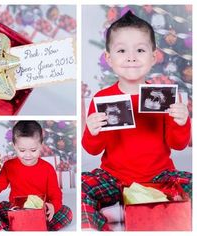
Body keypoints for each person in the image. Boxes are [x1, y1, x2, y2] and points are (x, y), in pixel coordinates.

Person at [82, 10, 191, 231]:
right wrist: (92, 131)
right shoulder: (102, 99)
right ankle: (102, 226)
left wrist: (182, 122)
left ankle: (146, 210)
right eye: (122, 50)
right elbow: (92, 150)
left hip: (160, 176)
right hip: (114, 177)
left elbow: (178, 144)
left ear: (153, 57)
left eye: (140, 50)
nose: (131, 57)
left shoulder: (166, 97)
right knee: (85, 184)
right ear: (109, 58)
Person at [0, 121, 72, 231]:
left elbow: (55, 194)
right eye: (22, 150)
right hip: (15, 211)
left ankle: (35, 228)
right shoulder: (9, 165)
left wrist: (53, 206)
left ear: (41, 145)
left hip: (40, 212)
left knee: (66, 212)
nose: (28, 155)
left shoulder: (47, 168)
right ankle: (9, 230)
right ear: (15, 146)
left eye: (33, 150)